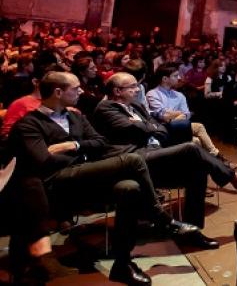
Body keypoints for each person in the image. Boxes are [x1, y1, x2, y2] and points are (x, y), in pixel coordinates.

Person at [9, 71, 199, 285]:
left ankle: (122, 265)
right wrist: (85, 153)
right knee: (133, 160)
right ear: (58, 92)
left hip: (87, 174)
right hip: (59, 183)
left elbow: (101, 143)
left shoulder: (75, 116)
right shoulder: (29, 124)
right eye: (76, 88)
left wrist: (74, 145)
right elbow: (45, 161)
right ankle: (162, 219)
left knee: (129, 187)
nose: (81, 90)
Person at [93, 73, 237, 235]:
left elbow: (159, 129)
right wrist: (149, 127)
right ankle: (235, 178)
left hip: (155, 153)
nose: (138, 89)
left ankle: (194, 231)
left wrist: (149, 127)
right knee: (190, 147)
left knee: (198, 172)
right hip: (134, 158)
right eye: (132, 86)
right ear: (117, 91)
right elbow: (140, 127)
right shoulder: (106, 108)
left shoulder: (136, 106)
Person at [146, 63, 223, 159]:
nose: (178, 78)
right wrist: (179, 113)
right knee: (199, 127)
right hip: (162, 129)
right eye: (175, 76)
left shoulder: (179, 95)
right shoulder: (152, 94)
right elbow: (162, 115)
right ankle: (218, 157)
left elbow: (186, 114)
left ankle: (210, 163)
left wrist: (175, 117)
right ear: (165, 79)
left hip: (180, 127)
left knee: (196, 141)